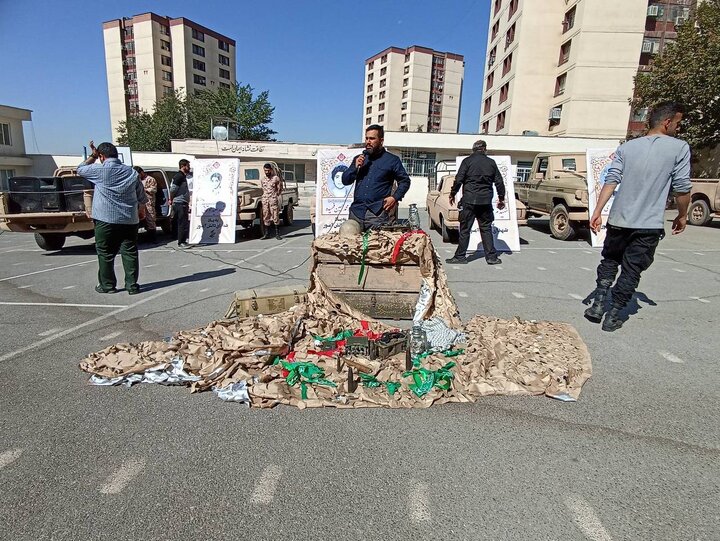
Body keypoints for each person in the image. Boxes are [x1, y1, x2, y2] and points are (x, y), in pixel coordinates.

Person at [584, 101, 691, 331]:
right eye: (678, 123)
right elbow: (682, 187)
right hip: (648, 224)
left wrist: (597, 211)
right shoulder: (679, 148)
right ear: (667, 122)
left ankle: (598, 303)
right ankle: (613, 314)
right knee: (632, 269)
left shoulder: (627, 148)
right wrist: (683, 215)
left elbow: (611, 179)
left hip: (618, 220)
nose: (678, 128)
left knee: (610, 260)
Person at [77, 141, 147, 295]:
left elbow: (80, 169)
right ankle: (132, 286)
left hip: (105, 219)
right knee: (130, 252)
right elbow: (141, 196)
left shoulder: (99, 170)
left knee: (105, 252)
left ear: (101, 156)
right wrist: (141, 211)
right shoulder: (132, 173)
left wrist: (92, 157)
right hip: (129, 219)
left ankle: (107, 285)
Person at [445, 140, 506, 265]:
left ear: (473, 149)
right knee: (486, 229)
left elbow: (459, 180)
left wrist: (452, 194)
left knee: (465, 229)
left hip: (469, 200)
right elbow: (499, 182)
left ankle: (460, 257)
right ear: (485, 149)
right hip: (485, 201)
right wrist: (501, 198)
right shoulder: (491, 163)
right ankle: (491, 258)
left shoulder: (467, 161)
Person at [341, 124, 411, 230]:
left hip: (377, 214)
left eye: (372, 138)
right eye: (367, 138)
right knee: (353, 245)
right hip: (357, 212)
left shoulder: (392, 160)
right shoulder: (359, 159)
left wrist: (395, 197)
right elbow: (345, 181)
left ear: (381, 141)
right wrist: (354, 167)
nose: (368, 142)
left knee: (377, 245)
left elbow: (405, 181)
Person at [170, 159, 191, 247]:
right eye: (188, 166)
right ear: (183, 166)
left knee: (184, 222)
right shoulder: (179, 176)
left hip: (183, 202)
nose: (189, 168)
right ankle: (181, 242)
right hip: (179, 203)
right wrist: (171, 199)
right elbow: (173, 189)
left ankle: (183, 240)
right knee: (182, 223)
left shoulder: (183, 176)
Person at [134, 166, 157, 242]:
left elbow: (154, 189)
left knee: (150, 219)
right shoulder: (137, 180)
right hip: (140, 202)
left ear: (141, 172)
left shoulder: (150, 179)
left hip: (148, 202)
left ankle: (153, 237)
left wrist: (145, 189)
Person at [261, 163, 283, 240]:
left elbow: (280, 189)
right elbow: (262, 188)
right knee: (266, 216)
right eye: (265, 171)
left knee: (275, 216)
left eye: (268, 170)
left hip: (273, 199)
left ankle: (277, 234)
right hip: (265, 200)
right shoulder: (263, 179)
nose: (266, 172)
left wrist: (275, 195)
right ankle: (267, 234)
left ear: (271, 170)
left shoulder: (276, 178)